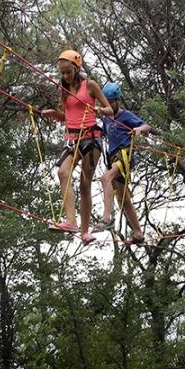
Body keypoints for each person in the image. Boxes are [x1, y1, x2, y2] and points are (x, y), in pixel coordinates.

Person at [41, 49, 113, 243]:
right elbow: (67, 117)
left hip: (90, 137)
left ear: (77, 68)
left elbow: (109, 110)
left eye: (68, 72)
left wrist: (99, 108)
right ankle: (71, 221)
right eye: (62, 73)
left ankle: (84, 233)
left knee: (84, 185)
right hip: (72, 138)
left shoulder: (89, 85)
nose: (65, 76)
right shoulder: (63, 90)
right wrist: (53, 114)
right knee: (62, 173)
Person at [92, 83, 151, 246]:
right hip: (114, 160)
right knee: (124, 200)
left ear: (118, 100)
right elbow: (105, 133)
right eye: (106, 102)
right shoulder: (106, 119)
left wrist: (138, 130)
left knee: (105, 179)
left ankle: (106, 218)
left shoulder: (125, 116)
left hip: (125, 156)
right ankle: (138, 234)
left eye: (111, 102)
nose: (108, 105)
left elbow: (146, 125)